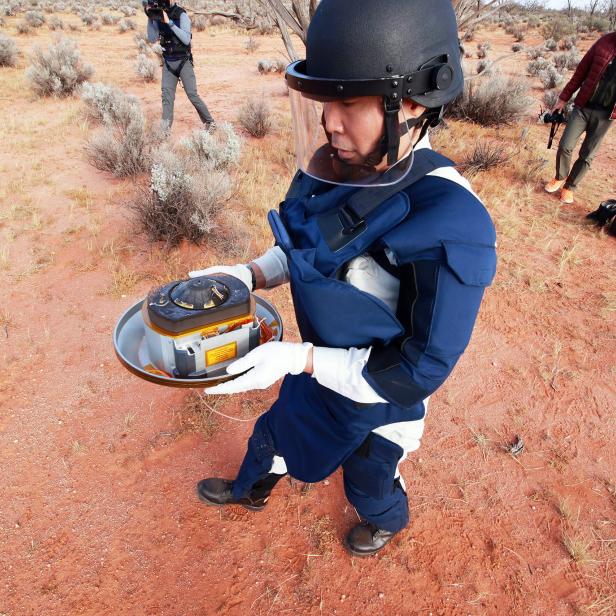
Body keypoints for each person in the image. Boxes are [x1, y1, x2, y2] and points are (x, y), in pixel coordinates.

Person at [191, 0, 497, 556]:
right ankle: (251, 489)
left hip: (379, 400)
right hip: (316, 367)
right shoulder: (338, 162)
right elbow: (305, 248)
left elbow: (414, 371)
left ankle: (387, 519)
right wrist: (250, 273)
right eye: (323, 101)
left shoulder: (452, 222)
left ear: (409, 101)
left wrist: (300, 358)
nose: (330, 121)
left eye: (349, 102)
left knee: (368, 477)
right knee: (274, 432)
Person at [545, 31, 616, 205]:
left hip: (606, 116)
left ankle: (570, 187)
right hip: (583, 107)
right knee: (565, 145)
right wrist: (563, 98)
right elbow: (581, 72)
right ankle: (560, 176)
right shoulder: (604, 42)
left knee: (587, 155)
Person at [143, 0, 215, 131]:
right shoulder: (158, 15)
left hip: (183, 62)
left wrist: (169, 23)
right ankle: (164, 133)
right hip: (168, 63)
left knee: (192, 95)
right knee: (166, 98)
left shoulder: (181, 15)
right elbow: (152, 38)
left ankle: (210, 123)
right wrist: (150, 17)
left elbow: (186, 39)